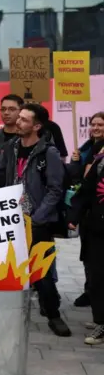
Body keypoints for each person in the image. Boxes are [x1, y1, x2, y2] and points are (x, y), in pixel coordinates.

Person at [0, 103, 72, 338]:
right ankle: (11, 313)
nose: (18, 121)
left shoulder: (49, 153)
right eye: (20, 118)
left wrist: (36, 218)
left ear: (37, 126)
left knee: (42, 271)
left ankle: (53, 315)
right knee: (10, 268)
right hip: (11, 220)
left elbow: (56, 190)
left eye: (24, 120)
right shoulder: (11, 147)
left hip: (37, 222)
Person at [68, 112, 104, 309]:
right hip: (87, 210)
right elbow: (77, 178)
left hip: (99, 208)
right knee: (88, 254)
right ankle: (90, 289)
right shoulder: (86, 148)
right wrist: (76, 161)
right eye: (93, 124)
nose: (96, 128)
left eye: (100, 124)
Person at [68, 152, 104, 345]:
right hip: (98, 228)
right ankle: (101, 321)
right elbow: (86, 190)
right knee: (97, 276)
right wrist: (74, 215)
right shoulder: (101, 158)